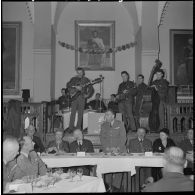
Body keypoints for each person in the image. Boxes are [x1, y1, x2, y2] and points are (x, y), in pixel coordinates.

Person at [100, 109, 127, 191]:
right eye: (106, 115)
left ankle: (116, 188)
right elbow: (102, 138)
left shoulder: (120, 124)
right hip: (108, 151)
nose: (106, 116)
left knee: (119, 170)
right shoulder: (104, 125)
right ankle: (108, 187)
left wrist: (117, 148)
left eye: (108, 115)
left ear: (113, 116)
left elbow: (123, 138)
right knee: (108, 169)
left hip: (119, 150)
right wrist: (107, 148)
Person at [66, 67, 94, 132]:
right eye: (78, 73)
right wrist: (76, 87)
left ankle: (78, 128)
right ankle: (70, 128)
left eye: (80, 72)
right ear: (76, 72)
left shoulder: (86, 80)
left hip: (82, 97)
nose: (79, 74)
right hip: (74, 98)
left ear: (83, 72)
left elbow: (91, 89)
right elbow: (68, 85)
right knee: (72, 113)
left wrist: (87, 95)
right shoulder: (73, 79)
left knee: (80, 114)